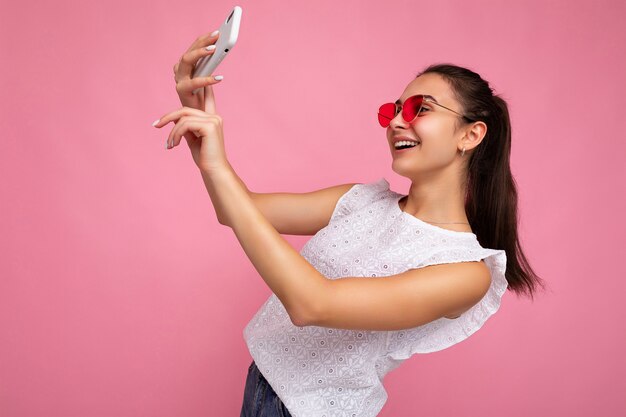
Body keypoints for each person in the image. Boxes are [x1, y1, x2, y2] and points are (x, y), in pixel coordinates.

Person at [155, 31, 545, 417]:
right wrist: (202, 129)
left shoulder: (465, 273)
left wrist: (218, 166)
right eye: (393, 111)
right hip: (262, 387)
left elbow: (312, 304)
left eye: (419, 109)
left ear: (471, 134)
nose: (396, 122)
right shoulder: (361, 200)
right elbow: (237, 211)